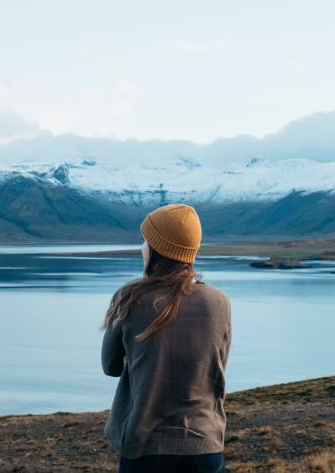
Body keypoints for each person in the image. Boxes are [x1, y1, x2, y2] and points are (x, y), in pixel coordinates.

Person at [100, 203, 232, 473]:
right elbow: (215, 369)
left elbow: (110, 366)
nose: (142, 247)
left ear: (158, 250)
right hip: (205, 446)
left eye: (146, 241)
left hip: (145, 448)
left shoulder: (130, 298)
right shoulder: (219, 302)